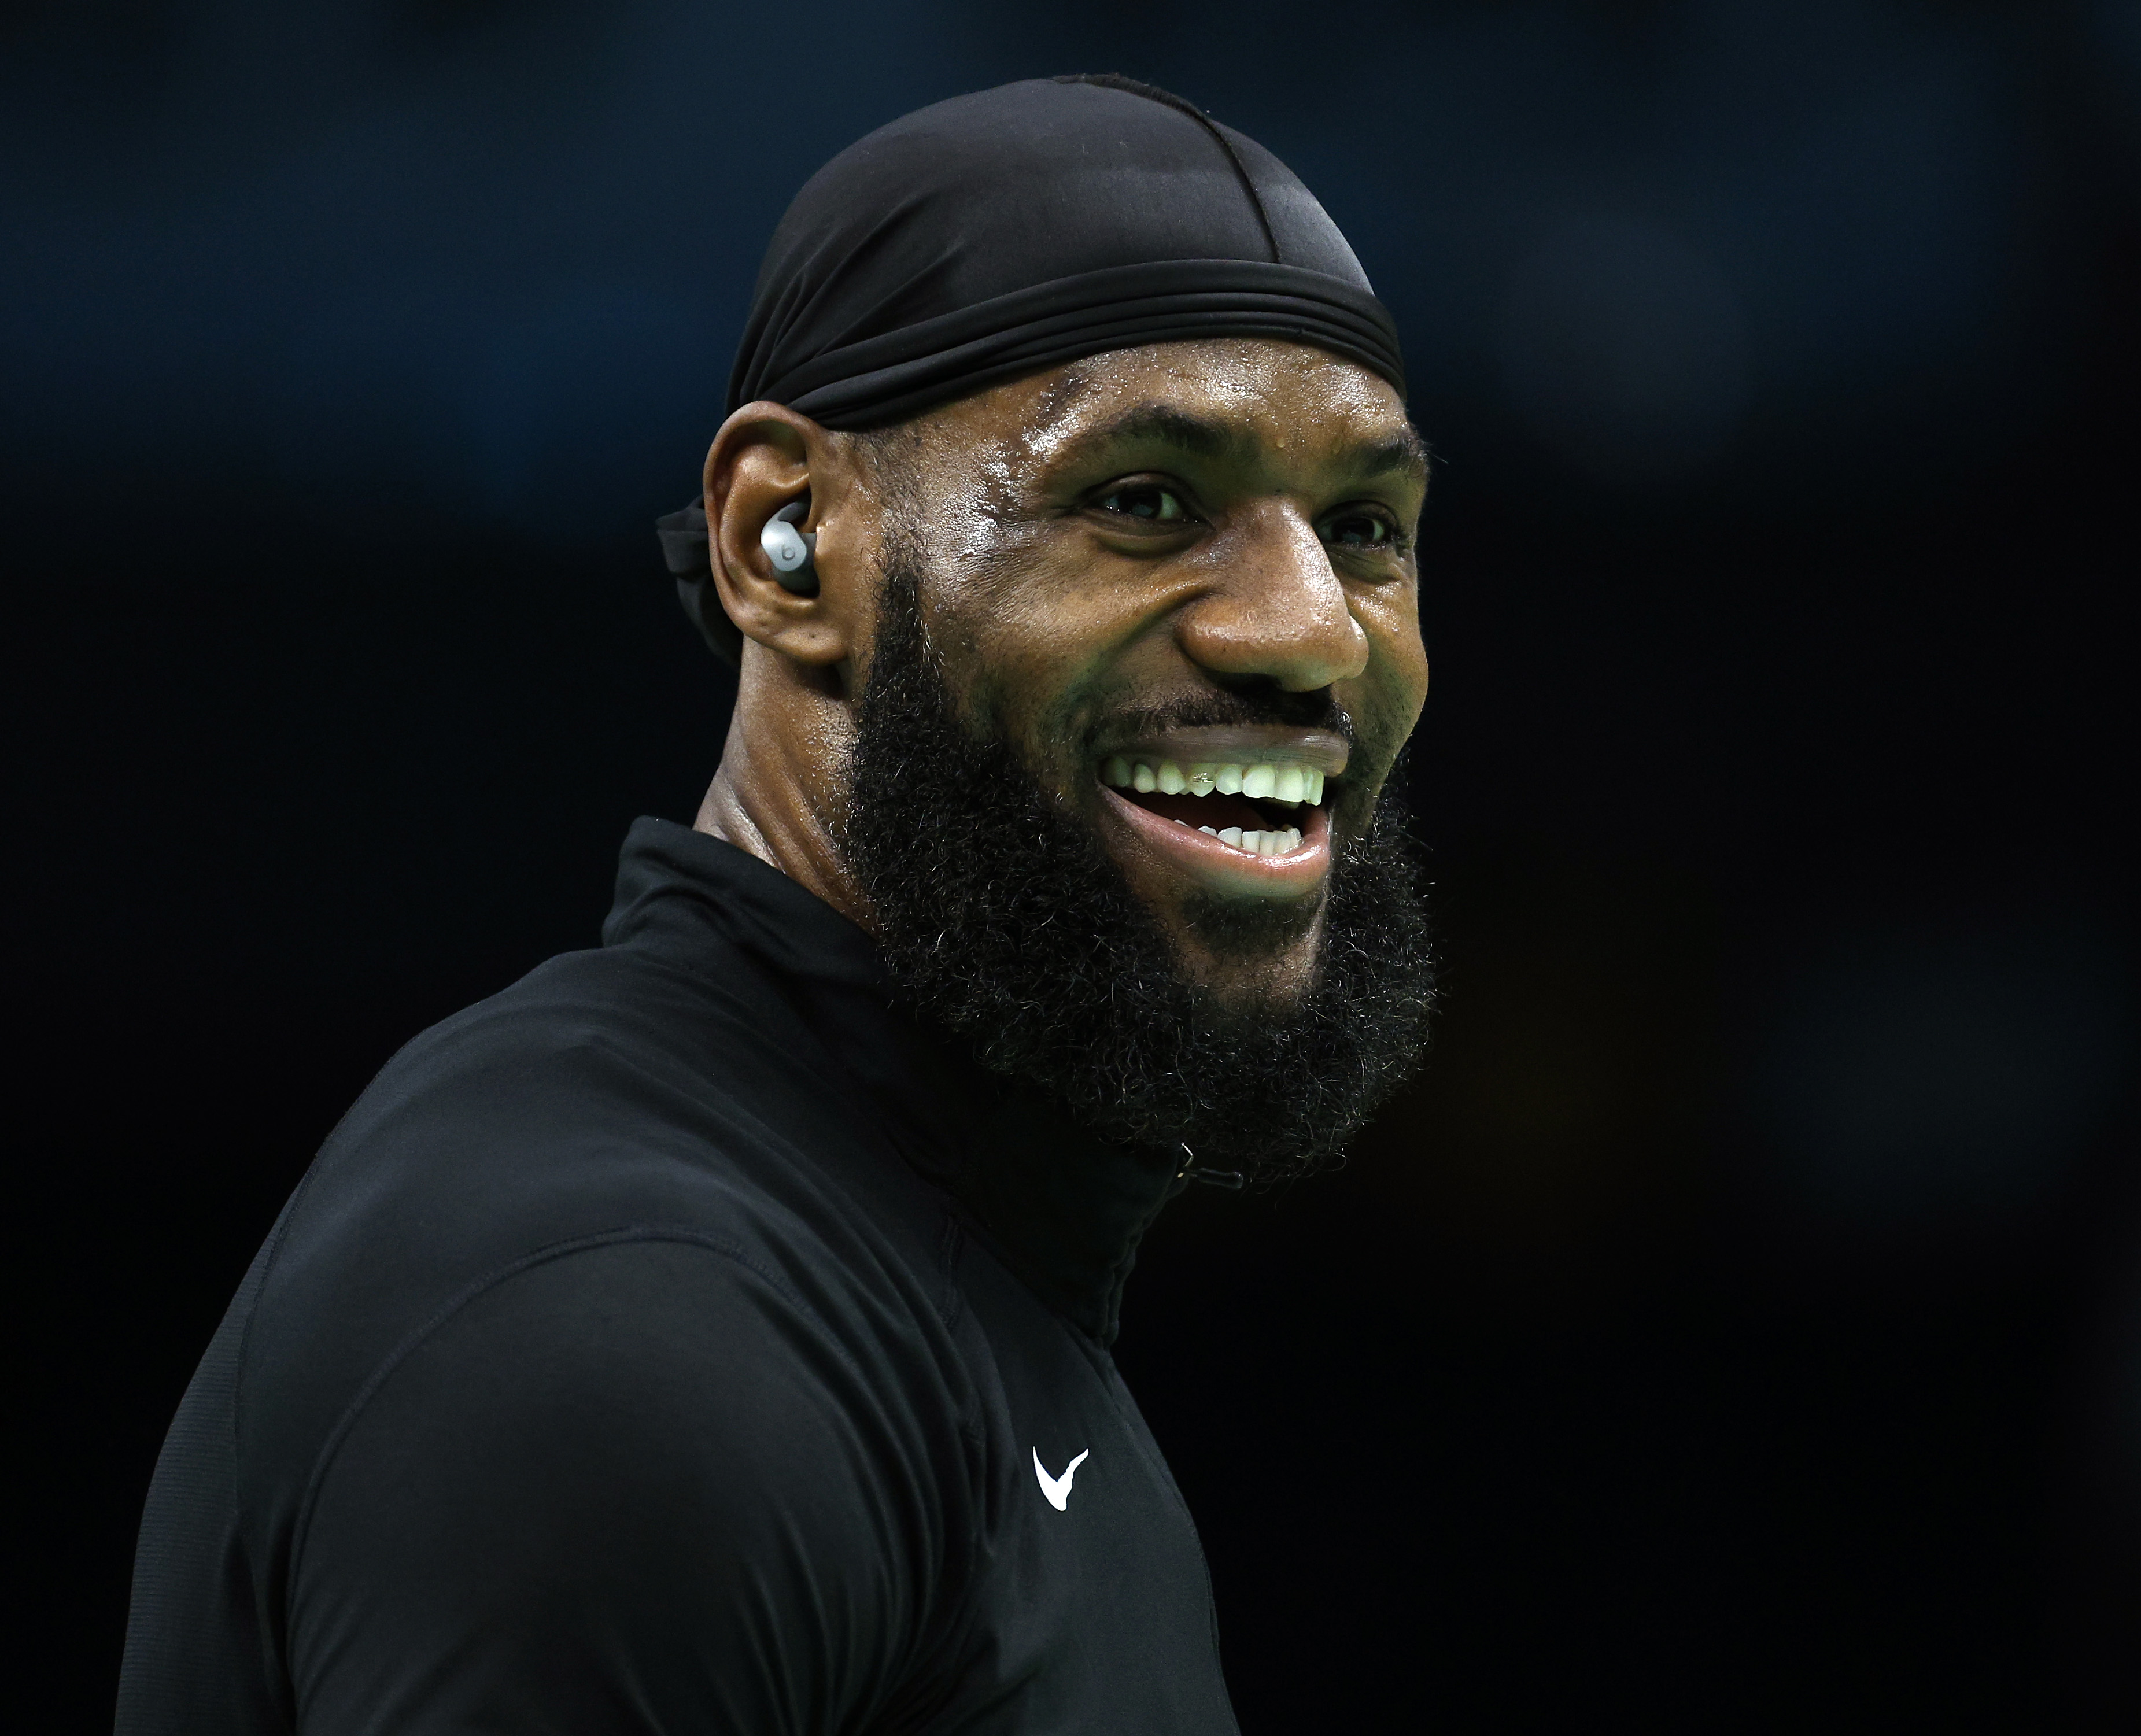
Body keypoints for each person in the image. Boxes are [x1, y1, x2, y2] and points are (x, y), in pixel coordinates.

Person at [116, 75, 1435, 1734]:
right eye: (1144, 500)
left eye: (1366, 528)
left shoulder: (930, 1281)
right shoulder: (635, 1332)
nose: (1310, 631)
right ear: (782, 536)